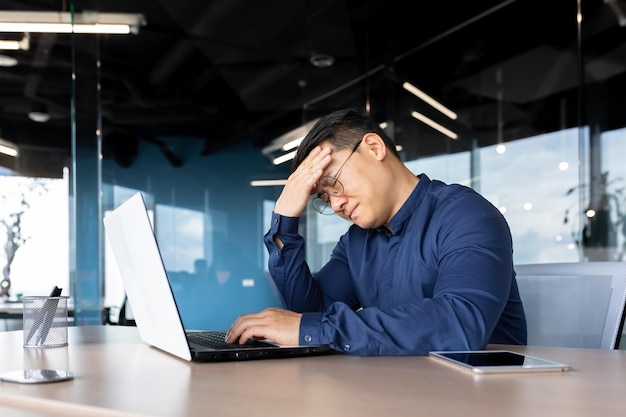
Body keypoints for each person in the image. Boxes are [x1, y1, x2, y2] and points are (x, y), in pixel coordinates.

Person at [226, 108, 527, 355]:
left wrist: (311, 328)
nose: (337, 204)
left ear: (374, 147)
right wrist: (285, 219)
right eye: (325, 198)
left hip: (479, 395)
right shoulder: (357, 240)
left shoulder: (466, 214)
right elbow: (311, 313)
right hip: (394, 388)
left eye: (334, 184)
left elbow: (460, 323)